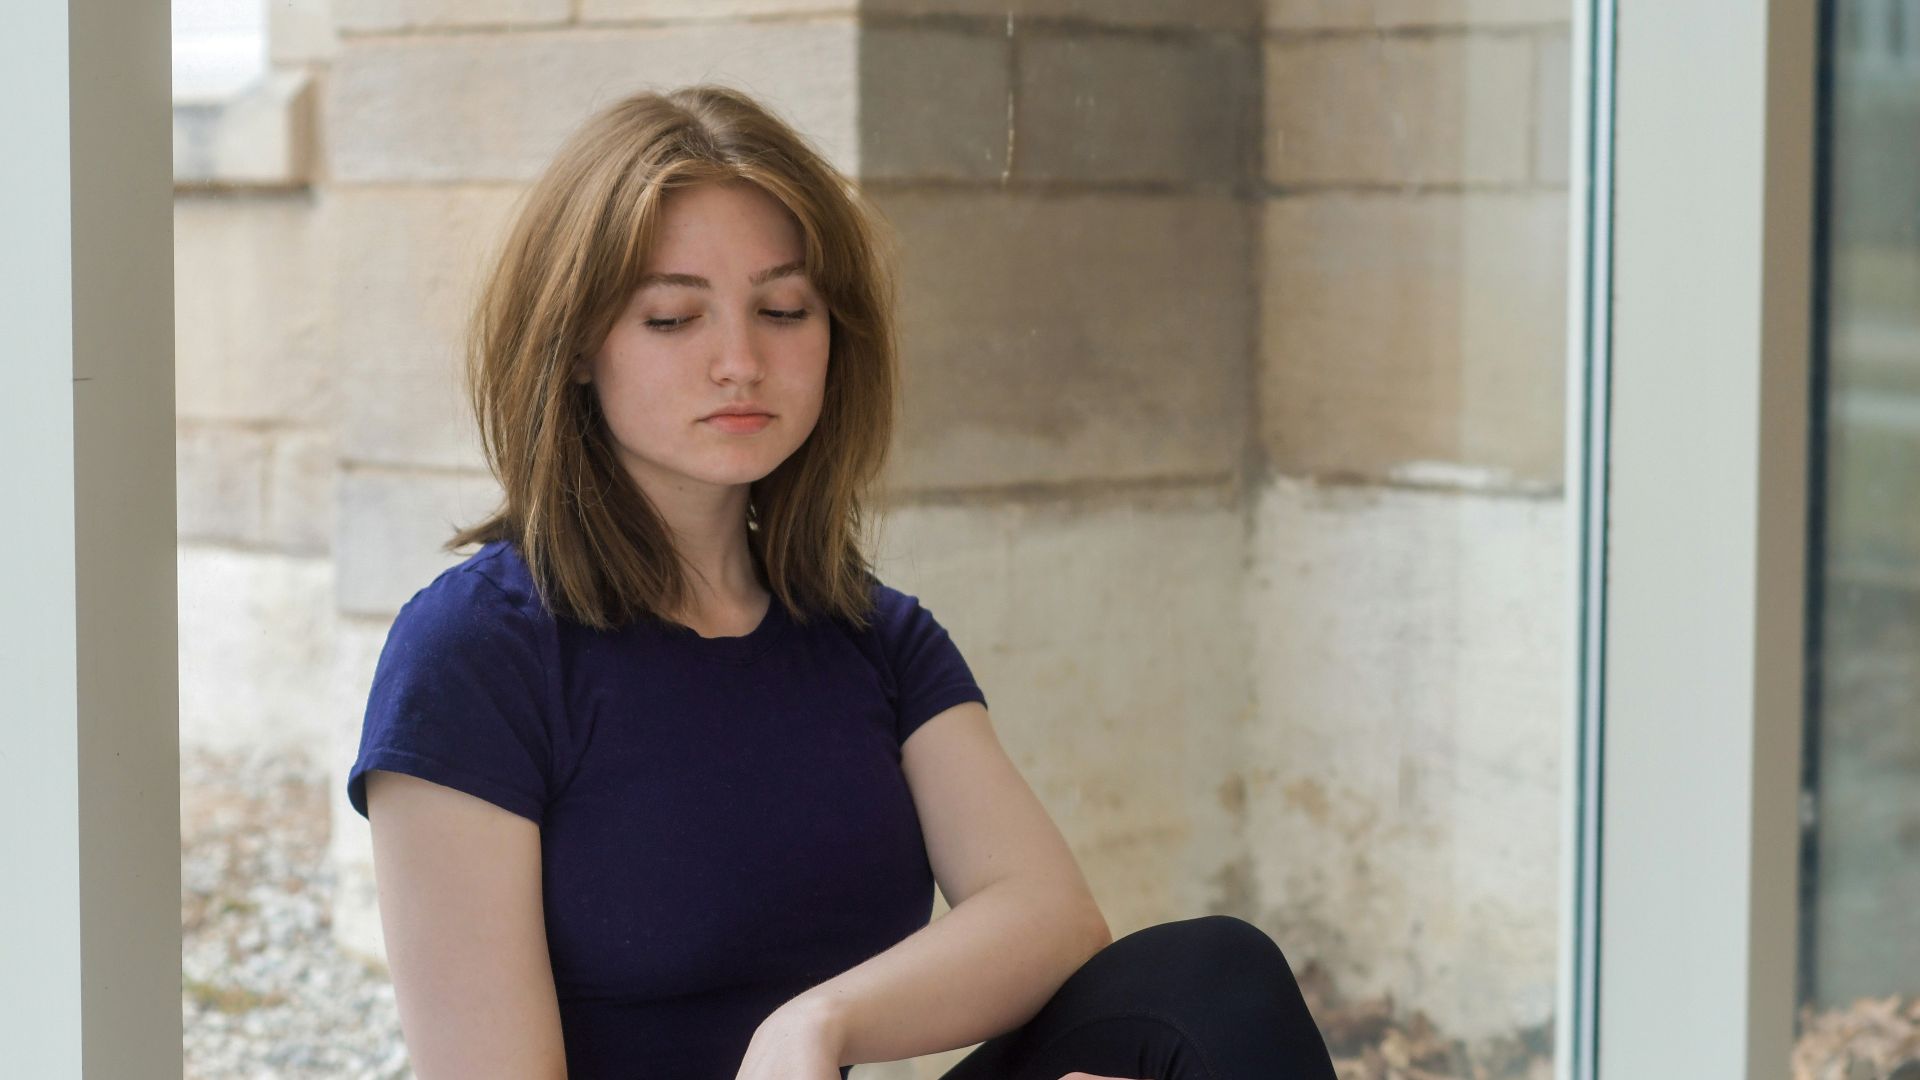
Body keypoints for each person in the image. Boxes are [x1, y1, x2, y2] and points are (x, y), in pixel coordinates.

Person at [344, 83, 1338, 1080]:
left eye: (782, 309)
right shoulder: (474, 657)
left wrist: (816, 1025)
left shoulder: (874, 638)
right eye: (671, 317)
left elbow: (1047, 913)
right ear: (572, 349)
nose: (741, 360)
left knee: (1210, 980)